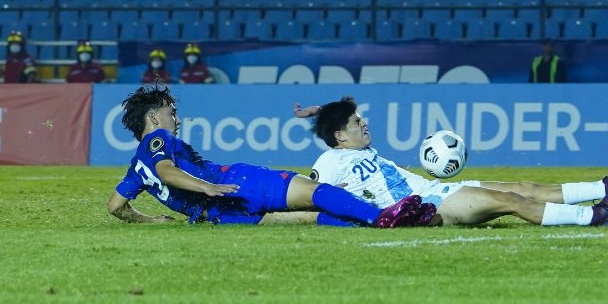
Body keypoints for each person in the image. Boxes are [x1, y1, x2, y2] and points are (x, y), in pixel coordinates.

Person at [106, 85, 434, 227]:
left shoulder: (135, 169)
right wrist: (206, 187)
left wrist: (152, 220)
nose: (176, 120)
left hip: (221, 217)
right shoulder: (158, 139)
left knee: (309, 216)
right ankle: (382, 217)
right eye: (171, 113)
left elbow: (115, 207)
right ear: (153, 118)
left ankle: (392, 217)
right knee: (315, 193)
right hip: (235, 183)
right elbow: (166, 171)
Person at [293, 97, 608, 228]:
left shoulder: (362, 151)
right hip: (428, 206)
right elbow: (314, 194)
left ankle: (606, 186)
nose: (364, 123)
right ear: (339, 135)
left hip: (438, 190)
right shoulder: (329, 160)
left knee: (523, 187)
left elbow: (347, 103)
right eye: (356, 122)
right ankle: (595, 216)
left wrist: (322, 111)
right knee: (510, 201)